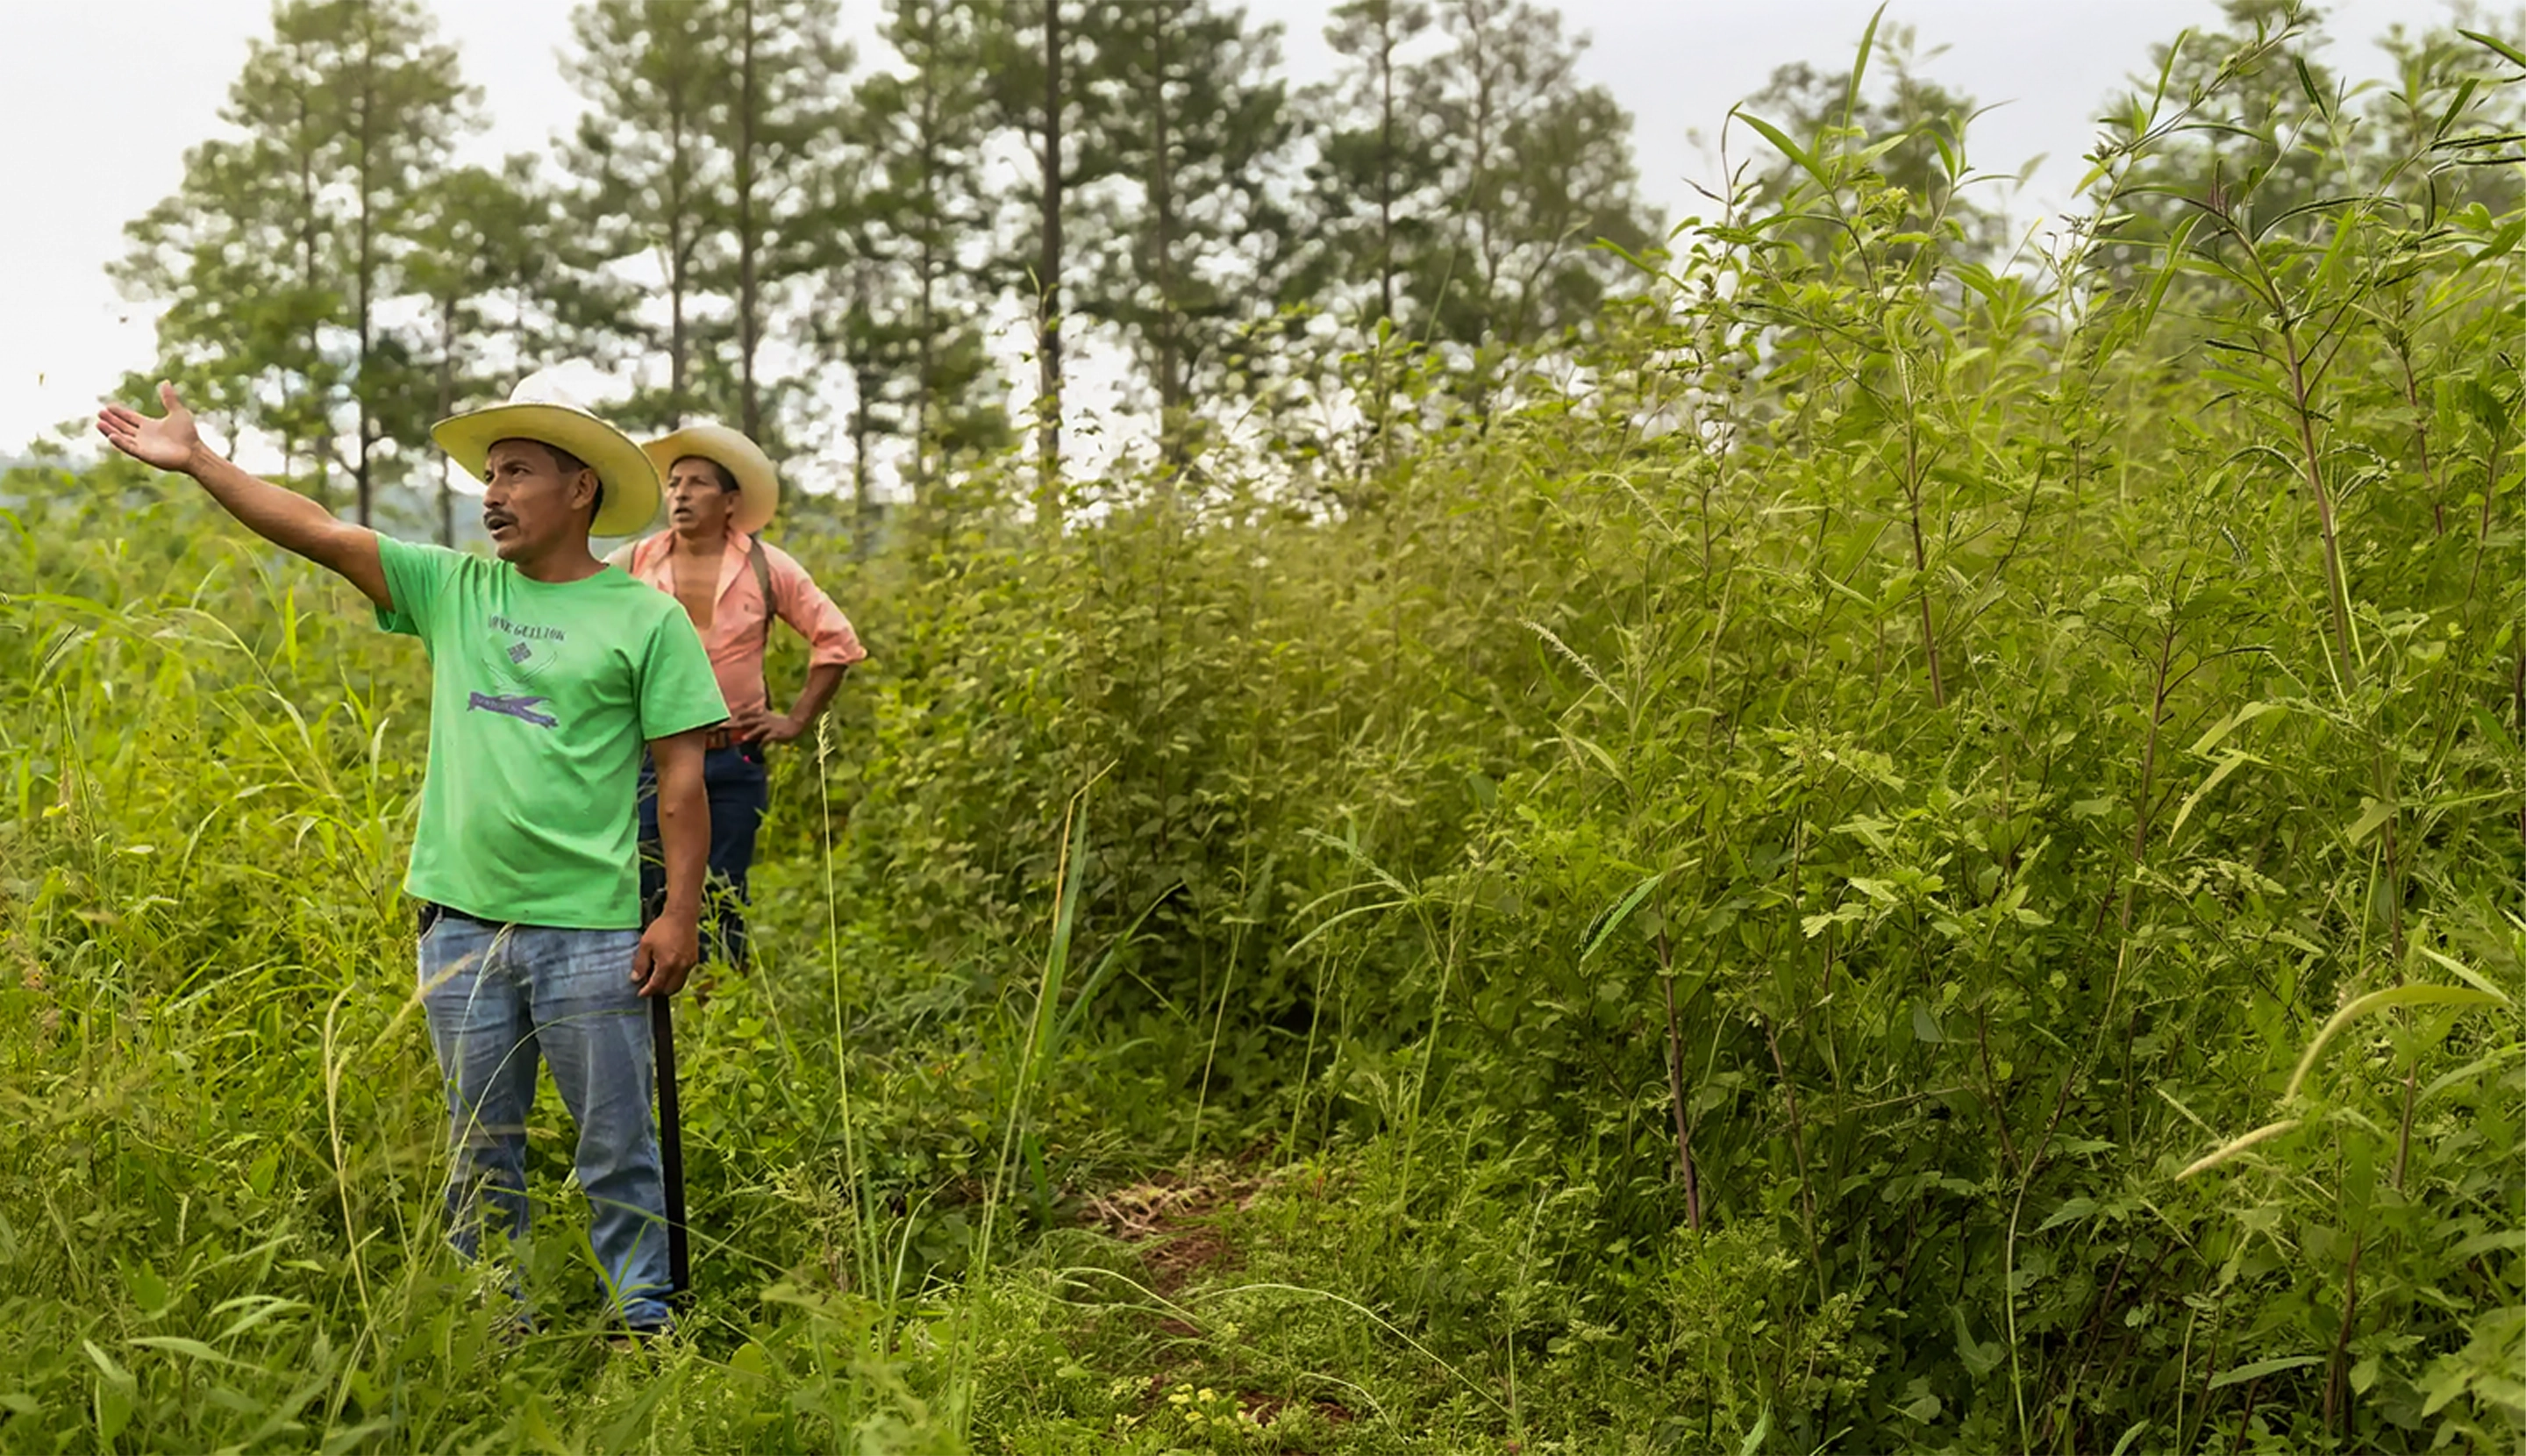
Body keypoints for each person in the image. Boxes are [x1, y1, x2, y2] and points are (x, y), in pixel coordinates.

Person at [96, 379, 727, 1341]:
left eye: (518, 471)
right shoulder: (454, 588)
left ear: (581, 490)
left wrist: (677, 913)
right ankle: (492, 1323)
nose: (493, 491)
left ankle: (644, 1325)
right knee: (481, 1149)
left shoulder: (645, 620)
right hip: (461, 929)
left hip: (591, 933)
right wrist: (201, 461)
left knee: (615, 1147)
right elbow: (318, 530)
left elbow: (683, 779)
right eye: (489, 472)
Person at [606, 422, 865, 969]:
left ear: (730, 502)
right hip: (649, 759)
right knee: (648, 882)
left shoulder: (766, 567)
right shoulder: (632, 565)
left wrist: (795, 720)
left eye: (697, 483)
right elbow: (580, 621)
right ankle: (650, 998)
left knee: (723, 887)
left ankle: (718, 1003)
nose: (680, 493)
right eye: (675, 483)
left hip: (733, 757)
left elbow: (837, 641)